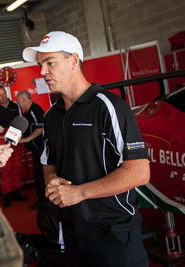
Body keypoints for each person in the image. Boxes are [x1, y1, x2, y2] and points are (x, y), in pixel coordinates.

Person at [22, 31, 150, 267]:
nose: (42, 72)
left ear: (73, 61)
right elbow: (49, 162)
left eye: (50, 63)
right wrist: (52, 180)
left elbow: (139, 172)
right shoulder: (52, 116)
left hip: (113, 234)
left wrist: (80, 192)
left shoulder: (109, 107)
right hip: (72, 233)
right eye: (41, 65)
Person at [0, 85, 27, 207]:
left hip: (15, 137)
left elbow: (22, 121)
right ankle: (7, 194)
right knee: (5, 168)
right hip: (2, 139)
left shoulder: (15, 105)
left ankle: (16, 192)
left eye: (4, 93)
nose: (3, 96)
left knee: (16, 165)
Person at [16, 90, 45, 210]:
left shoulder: (35, 110)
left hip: (41, 147)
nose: (18, 103)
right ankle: (43, 200)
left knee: (40, 175)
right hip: (35, 149)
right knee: (38, 175)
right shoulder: (26, 113)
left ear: (23, 99)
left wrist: (28, 139)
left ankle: (44, 202)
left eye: (18, 101)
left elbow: (41, 128)